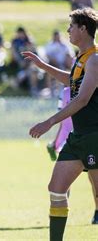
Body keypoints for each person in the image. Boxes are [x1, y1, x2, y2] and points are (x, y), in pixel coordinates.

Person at [24, 7, 98, 240]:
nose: (68, 31)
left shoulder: (95, 60)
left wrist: (50, 121)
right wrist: (43, 66)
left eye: (72, 26)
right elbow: (72, 80)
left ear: (83, 28)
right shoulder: (81, 60)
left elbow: (83, 99)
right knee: (56, 189)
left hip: (95, 135)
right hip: (78, 137)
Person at [46, 86, 98, 225]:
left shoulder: (91, 86)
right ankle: (61, 212)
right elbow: (62, 120)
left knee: (93, 179)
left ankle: (97, 211)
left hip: (87, 137)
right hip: (66, 139)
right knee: (62, 183)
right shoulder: (65, 92)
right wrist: (56, 141)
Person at [44, 30, 75, 97]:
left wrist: (67, 62)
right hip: (53, 64)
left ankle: (61, 90)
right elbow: (48, 56)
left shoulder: (65, 45)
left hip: (64, 64)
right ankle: (51, 91)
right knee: (51, 72)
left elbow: (70, 55)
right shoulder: (49, 45)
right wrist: (55, 63)